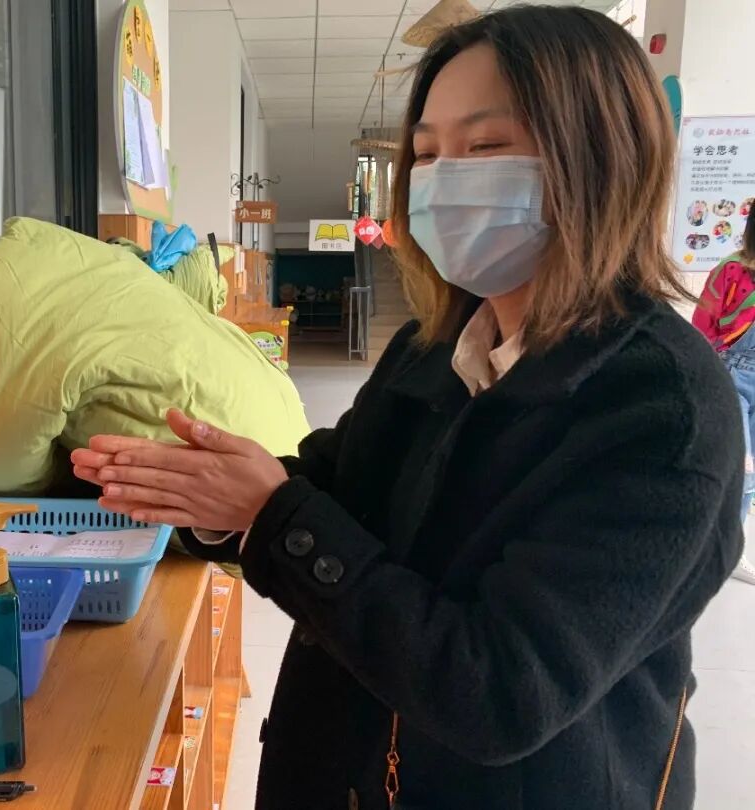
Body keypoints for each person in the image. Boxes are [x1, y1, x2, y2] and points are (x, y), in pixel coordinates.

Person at [73, 7, 742, 810]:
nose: (444, 178)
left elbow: (501, 692)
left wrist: (272, 513)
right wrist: (207, 496)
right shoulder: (435, 346)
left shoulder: (664, 407)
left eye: (484, 147)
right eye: (426, 153)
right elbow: (334, 484)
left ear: (600, 159)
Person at [693, 211, 755, 584]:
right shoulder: (733, 269)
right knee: (741, 470)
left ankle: (731, 547)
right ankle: (717, 550)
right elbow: (704, 322)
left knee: (753, 473)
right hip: (734, 373)